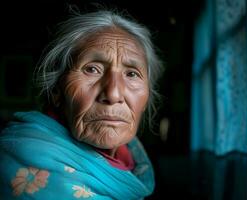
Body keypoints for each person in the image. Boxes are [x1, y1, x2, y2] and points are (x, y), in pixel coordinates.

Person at [0, 9, 162, 199]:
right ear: (56, 90)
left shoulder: (132, 156)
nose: (113, 94)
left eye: (131, 74)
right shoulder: (19, 157)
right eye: (92, 69)